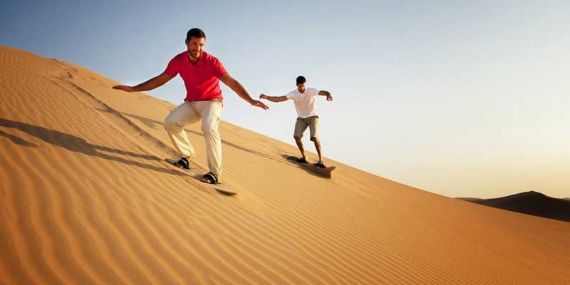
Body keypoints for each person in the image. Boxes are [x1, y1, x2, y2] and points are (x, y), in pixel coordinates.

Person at [113, 28, 268, 184]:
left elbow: (231, 82)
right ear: (186, 43)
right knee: (170, 122)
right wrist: (133, 89)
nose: (198, 48)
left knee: (208, 126)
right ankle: (186, 156)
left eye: (201, 45)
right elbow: (160, 80)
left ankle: (214, 173)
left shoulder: (212, 61)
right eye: (194, 44)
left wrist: (250, 100)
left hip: (212, 102)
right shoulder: (178, 61)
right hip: (192, 103)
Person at [259, 76, 332, 168]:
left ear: (305, 84)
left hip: (313, 117)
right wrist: (267, 97)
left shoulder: (311, 90)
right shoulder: (293, 93)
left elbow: (323, 92)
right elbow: (278, 99)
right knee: (296, 137)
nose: (302, 88)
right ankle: (304, 157)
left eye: (303, 86)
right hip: (301, 118)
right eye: (300, 86)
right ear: (297, 85)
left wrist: (328, 94)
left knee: (314, 137)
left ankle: (320, 161)